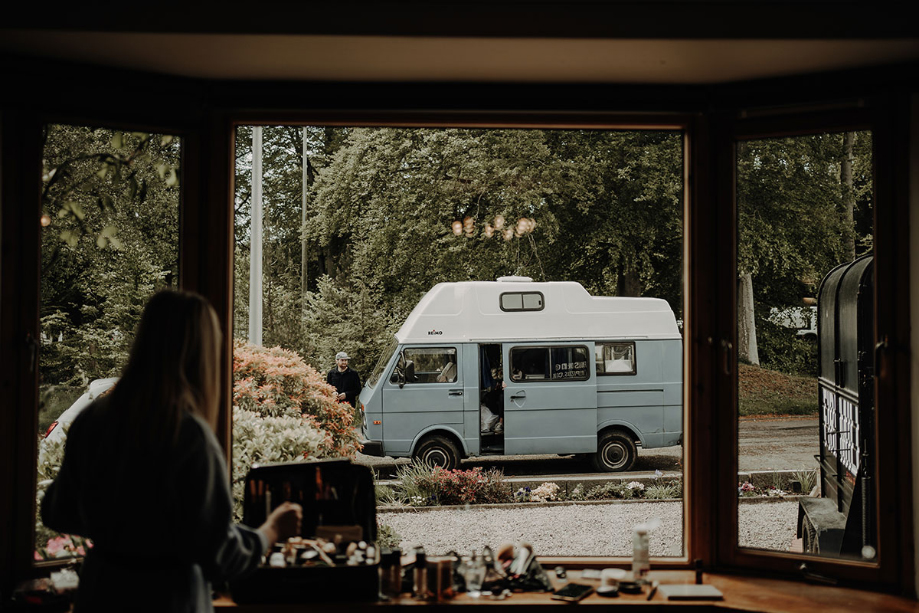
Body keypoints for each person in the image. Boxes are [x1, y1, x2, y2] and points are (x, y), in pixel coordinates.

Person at [41, 290, 303, 613]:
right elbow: (218, 553)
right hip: (169, 599)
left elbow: (57, 510)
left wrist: (116, 527)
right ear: (201, 357)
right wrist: (270, 531)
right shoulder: (191, 437)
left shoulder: (93, 420)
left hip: (101, 593)